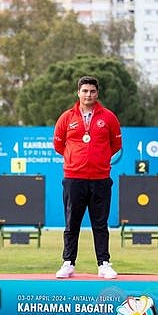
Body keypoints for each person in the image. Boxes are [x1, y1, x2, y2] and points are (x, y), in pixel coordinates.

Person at [53, 75, 122, 279]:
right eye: (84, 91)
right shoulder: (67, 117)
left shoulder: (108, 117)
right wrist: (74, 158)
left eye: (92, 91)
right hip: (74, 178)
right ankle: (68, 263)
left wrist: (99, 160)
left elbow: (116, 145)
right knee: (71, 223)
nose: (88, 94)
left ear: (97, 93)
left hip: (100, 178)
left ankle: (104, 264)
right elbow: (58, 145)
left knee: (100, 224)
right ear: (78, 93)